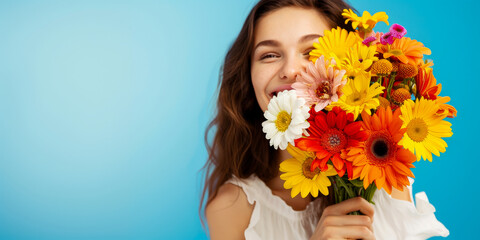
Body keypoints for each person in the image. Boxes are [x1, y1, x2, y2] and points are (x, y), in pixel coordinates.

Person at [201, 0, 450, 239]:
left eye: (311, 51)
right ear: (248, 76)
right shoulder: (232, 208)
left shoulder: (387, 180)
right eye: (269, 55)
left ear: (353, 64)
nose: (290, 70)